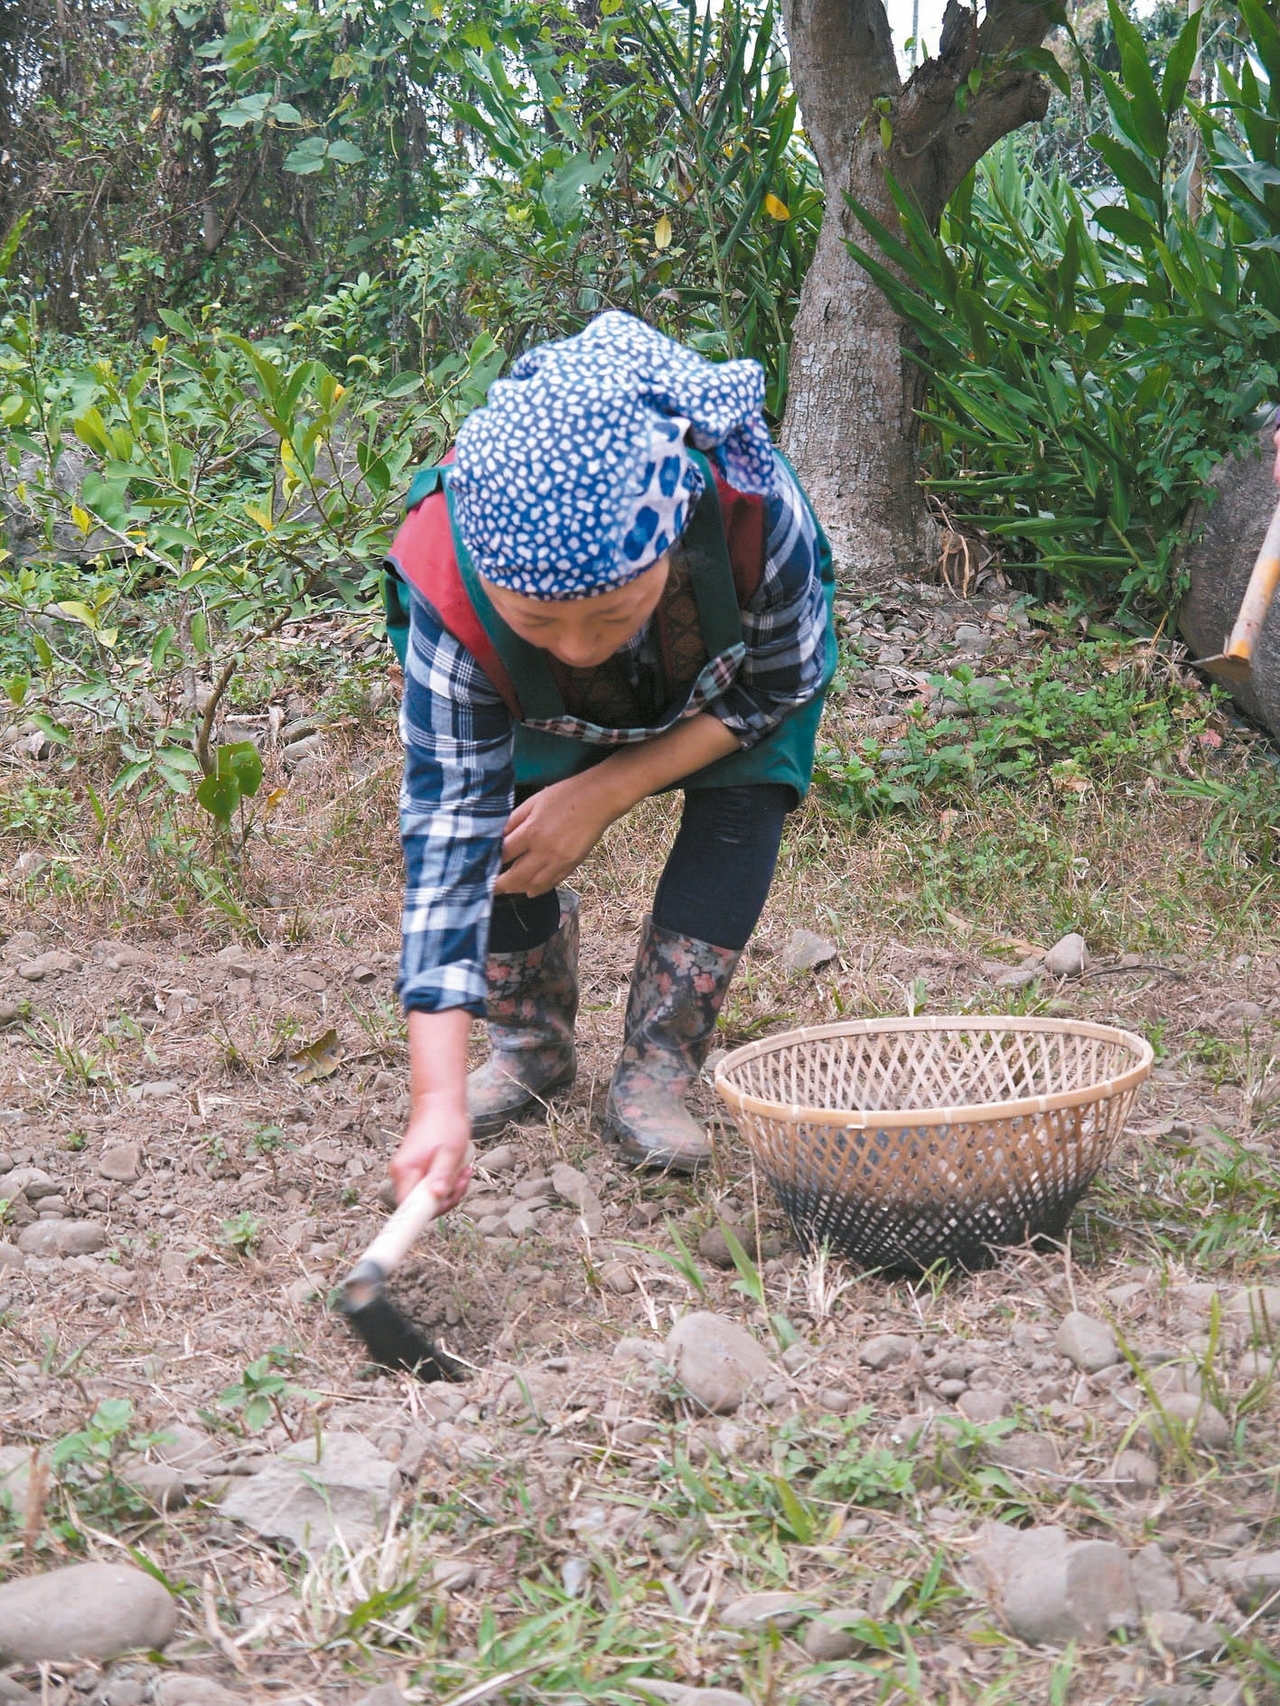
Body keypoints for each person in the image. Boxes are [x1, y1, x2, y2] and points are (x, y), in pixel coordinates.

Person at [382, 312, 835, 1211]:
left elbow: (780, 684)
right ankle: (529, 1050)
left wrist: (605, 790)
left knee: (744, 799)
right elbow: (446, 848)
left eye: (612, 613)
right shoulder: (448, 576)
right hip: (528, 708)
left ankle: (660, 1065)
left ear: (669, 546)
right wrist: (435, 1101)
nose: (580, 648)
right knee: (499, 834)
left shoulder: (755, 514)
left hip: (724, 696)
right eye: (539, 621)